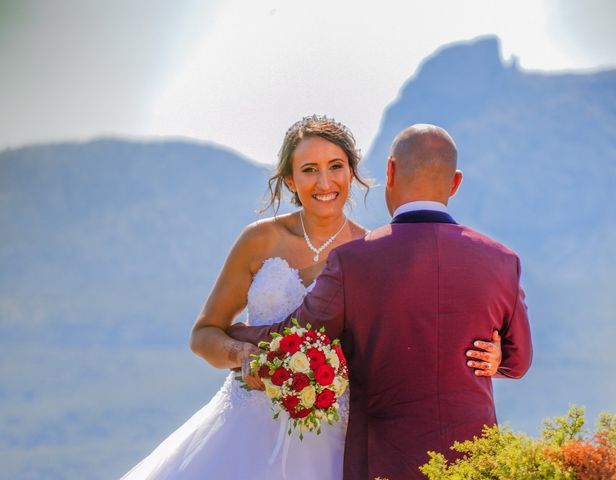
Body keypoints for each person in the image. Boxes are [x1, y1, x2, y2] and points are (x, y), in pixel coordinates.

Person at [121, 117, 503, 479]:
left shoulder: (371, 252)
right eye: (309, 170)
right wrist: (242, 355)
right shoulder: (259, 240)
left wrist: (494, 356)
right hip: (246, 428)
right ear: (290, 179)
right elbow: (204, 333)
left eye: (335, 166)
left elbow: (407, 342)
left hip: (334, 438)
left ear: (352, 172)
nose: (325, 182)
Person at [228, 123, 533, 480]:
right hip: (475, 462)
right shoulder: (502, 261)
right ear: (455, 183)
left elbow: (299, 333)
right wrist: (496, 361)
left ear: (389, 172)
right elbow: (519, 360)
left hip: (384, 462)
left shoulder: (354, 260)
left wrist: (238, 333)